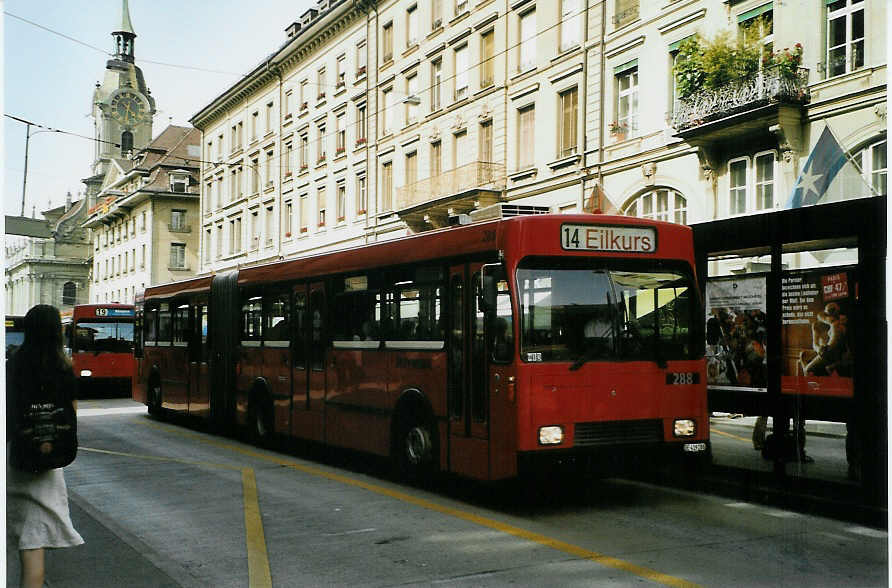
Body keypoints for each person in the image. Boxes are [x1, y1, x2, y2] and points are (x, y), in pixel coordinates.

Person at [7, 305, 84, 588]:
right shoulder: (64, 369)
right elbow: (71, 414)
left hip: (16, 457)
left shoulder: (12, 364)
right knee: (33, 539)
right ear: (57, 333)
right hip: (46, 466)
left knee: (16, 536)